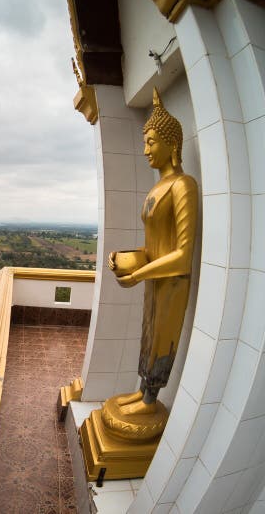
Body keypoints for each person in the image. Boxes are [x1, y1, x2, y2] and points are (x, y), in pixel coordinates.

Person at [108, 88, 198, 416]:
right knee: (147, 332)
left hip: (173, 280)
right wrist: (126, 259)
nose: (145, 149)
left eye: (151, 141)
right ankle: (143, 391)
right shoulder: (156, 188)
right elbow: (152, 245)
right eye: (145, 141)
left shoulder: (183, 185)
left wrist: (137, 275)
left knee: (162, 336)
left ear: (172, 145)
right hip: (154, 279)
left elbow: (183, 253)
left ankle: (150, 399)